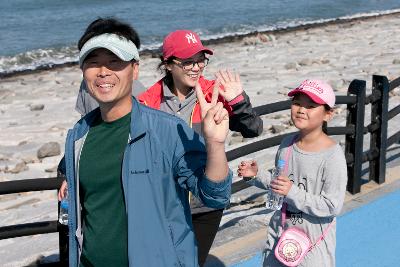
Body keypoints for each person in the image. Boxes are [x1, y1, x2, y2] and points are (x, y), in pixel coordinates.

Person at [61, 17, 232, 267]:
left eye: (114, 62)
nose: (103, 71)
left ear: (135, 69)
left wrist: (215, 144)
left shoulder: (167, 129)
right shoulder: (79, 134)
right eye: (93, 62)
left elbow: (215, 196)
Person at [137, 29, 263, 265]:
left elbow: (254, 128)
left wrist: (238, 101)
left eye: (200, 61)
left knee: (192, 262)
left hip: (205, 203)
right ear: (168, 64)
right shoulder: (147, 101)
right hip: (164, 205)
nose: (196, 68)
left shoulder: (214, 93)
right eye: (187, 62)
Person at [237, 79, 347, 266]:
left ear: (328, 114)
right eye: (297, 103)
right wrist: (256, 176)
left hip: (313, 244)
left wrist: (292, 192)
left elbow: (332, 205)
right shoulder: (287, 144)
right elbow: (280, 182)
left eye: (311, 106)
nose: (301, 110)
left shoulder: (332, 156)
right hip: (280, 235)